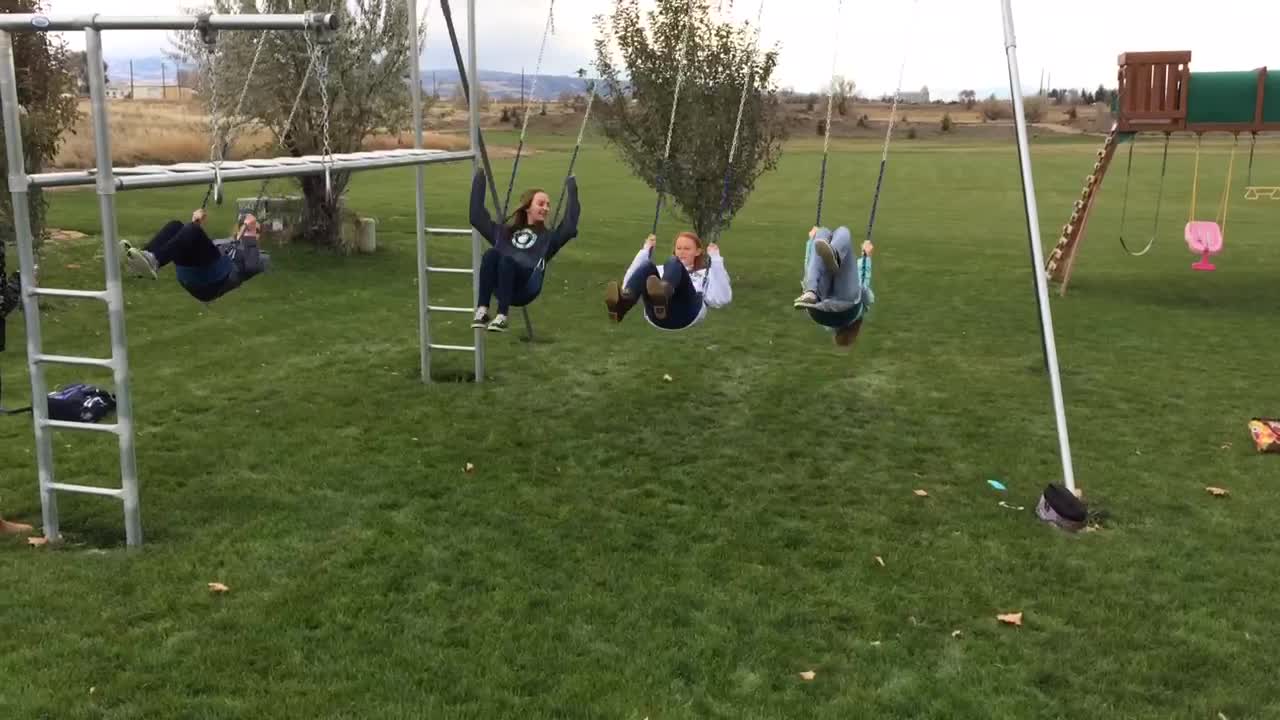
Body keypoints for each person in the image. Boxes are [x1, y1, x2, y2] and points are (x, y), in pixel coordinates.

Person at [469, 168, 580, 333]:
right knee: (491, 254)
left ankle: (502, 316)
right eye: (541, 204)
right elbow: (476, 217)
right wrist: (480, 177)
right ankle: (482, 309)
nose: (546, 208)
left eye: (548, 205)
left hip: (526, 287)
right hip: (501, 286)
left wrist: (572, 186)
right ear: (527, 207)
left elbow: (570, 225)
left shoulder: (548, 238)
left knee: (507, 260)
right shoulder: (505, 233)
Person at [121, 209, 269, 302]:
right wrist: (196, 222)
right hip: (195, 274)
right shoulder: (227, 242)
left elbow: (251, 266)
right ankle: (145, 257)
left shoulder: (260, 256)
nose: (248, 230)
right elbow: (200, 248)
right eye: (246, 227)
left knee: (193, 230)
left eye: (255, 230)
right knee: (176, 225)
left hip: (215, 281)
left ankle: (153, 261)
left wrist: (251, 237)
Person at [603, 230, 732, 331]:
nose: (681, 252)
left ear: (698, 251)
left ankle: (663, 294)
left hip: (687, 313)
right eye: (679, 248)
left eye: (687, 249)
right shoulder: (662, 271)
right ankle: (622, 305)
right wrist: (645, 250)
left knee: (673, 262)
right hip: (657, 316)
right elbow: (630, 280)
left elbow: (723, 298)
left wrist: (715, 258)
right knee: (646, 266)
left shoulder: (705, 274)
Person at [792, 226, 875, 350]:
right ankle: (811, 290)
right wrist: (811, 243)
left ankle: (833, 255)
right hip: (820, 311)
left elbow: (863, 288)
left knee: (841, 232)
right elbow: (808, 269)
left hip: (845, 305)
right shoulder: (828, 323)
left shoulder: (859, 313)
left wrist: (866, 257)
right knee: (822, 234)